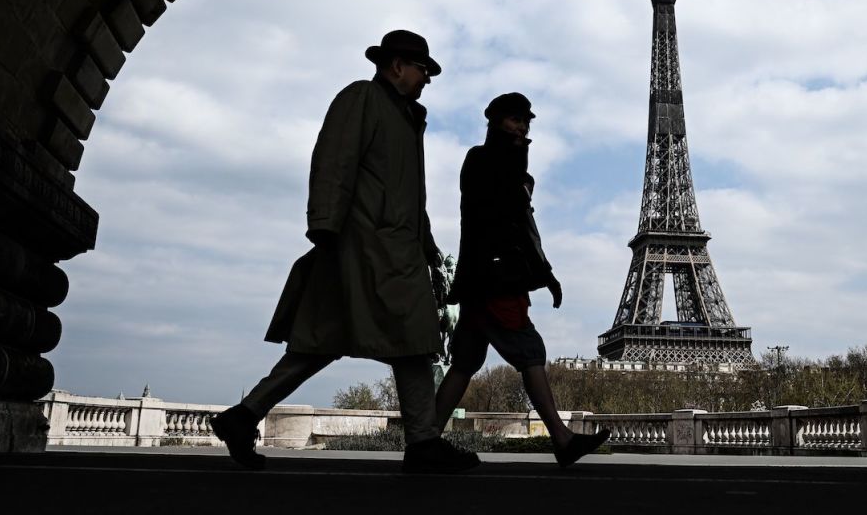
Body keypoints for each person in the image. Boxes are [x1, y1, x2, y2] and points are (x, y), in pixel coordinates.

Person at [210, 30, 478, 474]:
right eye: (423, 69)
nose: (428, 78)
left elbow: (412, 196)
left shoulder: (403, 116)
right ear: (397, 66)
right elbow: (333, 161)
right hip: (366, 247)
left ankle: (244, 416)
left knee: (333, 341)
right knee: (406, 339)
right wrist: (324, 227)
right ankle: (424, 441)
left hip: (391, 248)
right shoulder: (363, 99)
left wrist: (427, 246)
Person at [437, 92, 610, 467]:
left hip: (482, 278)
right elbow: (513, 224)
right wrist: (543, 273)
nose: (522, 127)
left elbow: (516, 224)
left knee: (465, 362)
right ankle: (561, 438)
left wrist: (544, 273)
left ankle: (424, 438)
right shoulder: (489, 161)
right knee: (530, 352)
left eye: (526, 122)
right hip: (498, 278)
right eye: (516, 120)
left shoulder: (501, 164)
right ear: (495, 121)